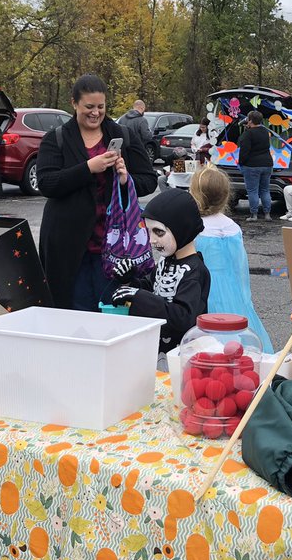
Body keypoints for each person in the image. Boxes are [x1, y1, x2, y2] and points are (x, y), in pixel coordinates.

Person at [37, 75, 158, 311]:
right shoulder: (57, 138)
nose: (95, 113)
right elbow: (47, 183)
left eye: (100, 107)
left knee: (112, 312)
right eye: (89, 107)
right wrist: (88, 168)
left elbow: (149, 181)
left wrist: (125, 180)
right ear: (74, 103)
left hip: (115, 248)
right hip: (68, 249)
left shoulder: (122, 134)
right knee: (73, 314)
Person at [111, 188, 211, 354]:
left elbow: (183, 317)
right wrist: (129, 281)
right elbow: (152, 287)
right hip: (154, 348)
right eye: (149, 232)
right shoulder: (166, 261)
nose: (151, 240)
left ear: (182, 229)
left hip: (181, 353)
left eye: (159, 232)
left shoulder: (194, 271)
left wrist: (138, 296)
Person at [189, 164, 273, 351]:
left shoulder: (196, 229)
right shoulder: (233, 227)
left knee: (211, 342)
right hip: (235, 291)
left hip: (206, 292)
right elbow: (240, 266)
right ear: (225, 196)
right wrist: (245, 296)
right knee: (240, 341)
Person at [237, 110, 273, 222]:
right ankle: (267, 214)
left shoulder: (248, 134)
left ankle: (254, 215)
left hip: (252, 165)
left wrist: (241, 163)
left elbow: (244, 151)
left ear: (250, 121)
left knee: (252, 191)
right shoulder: (265, 132)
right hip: (267, 164)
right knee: (265, 190)